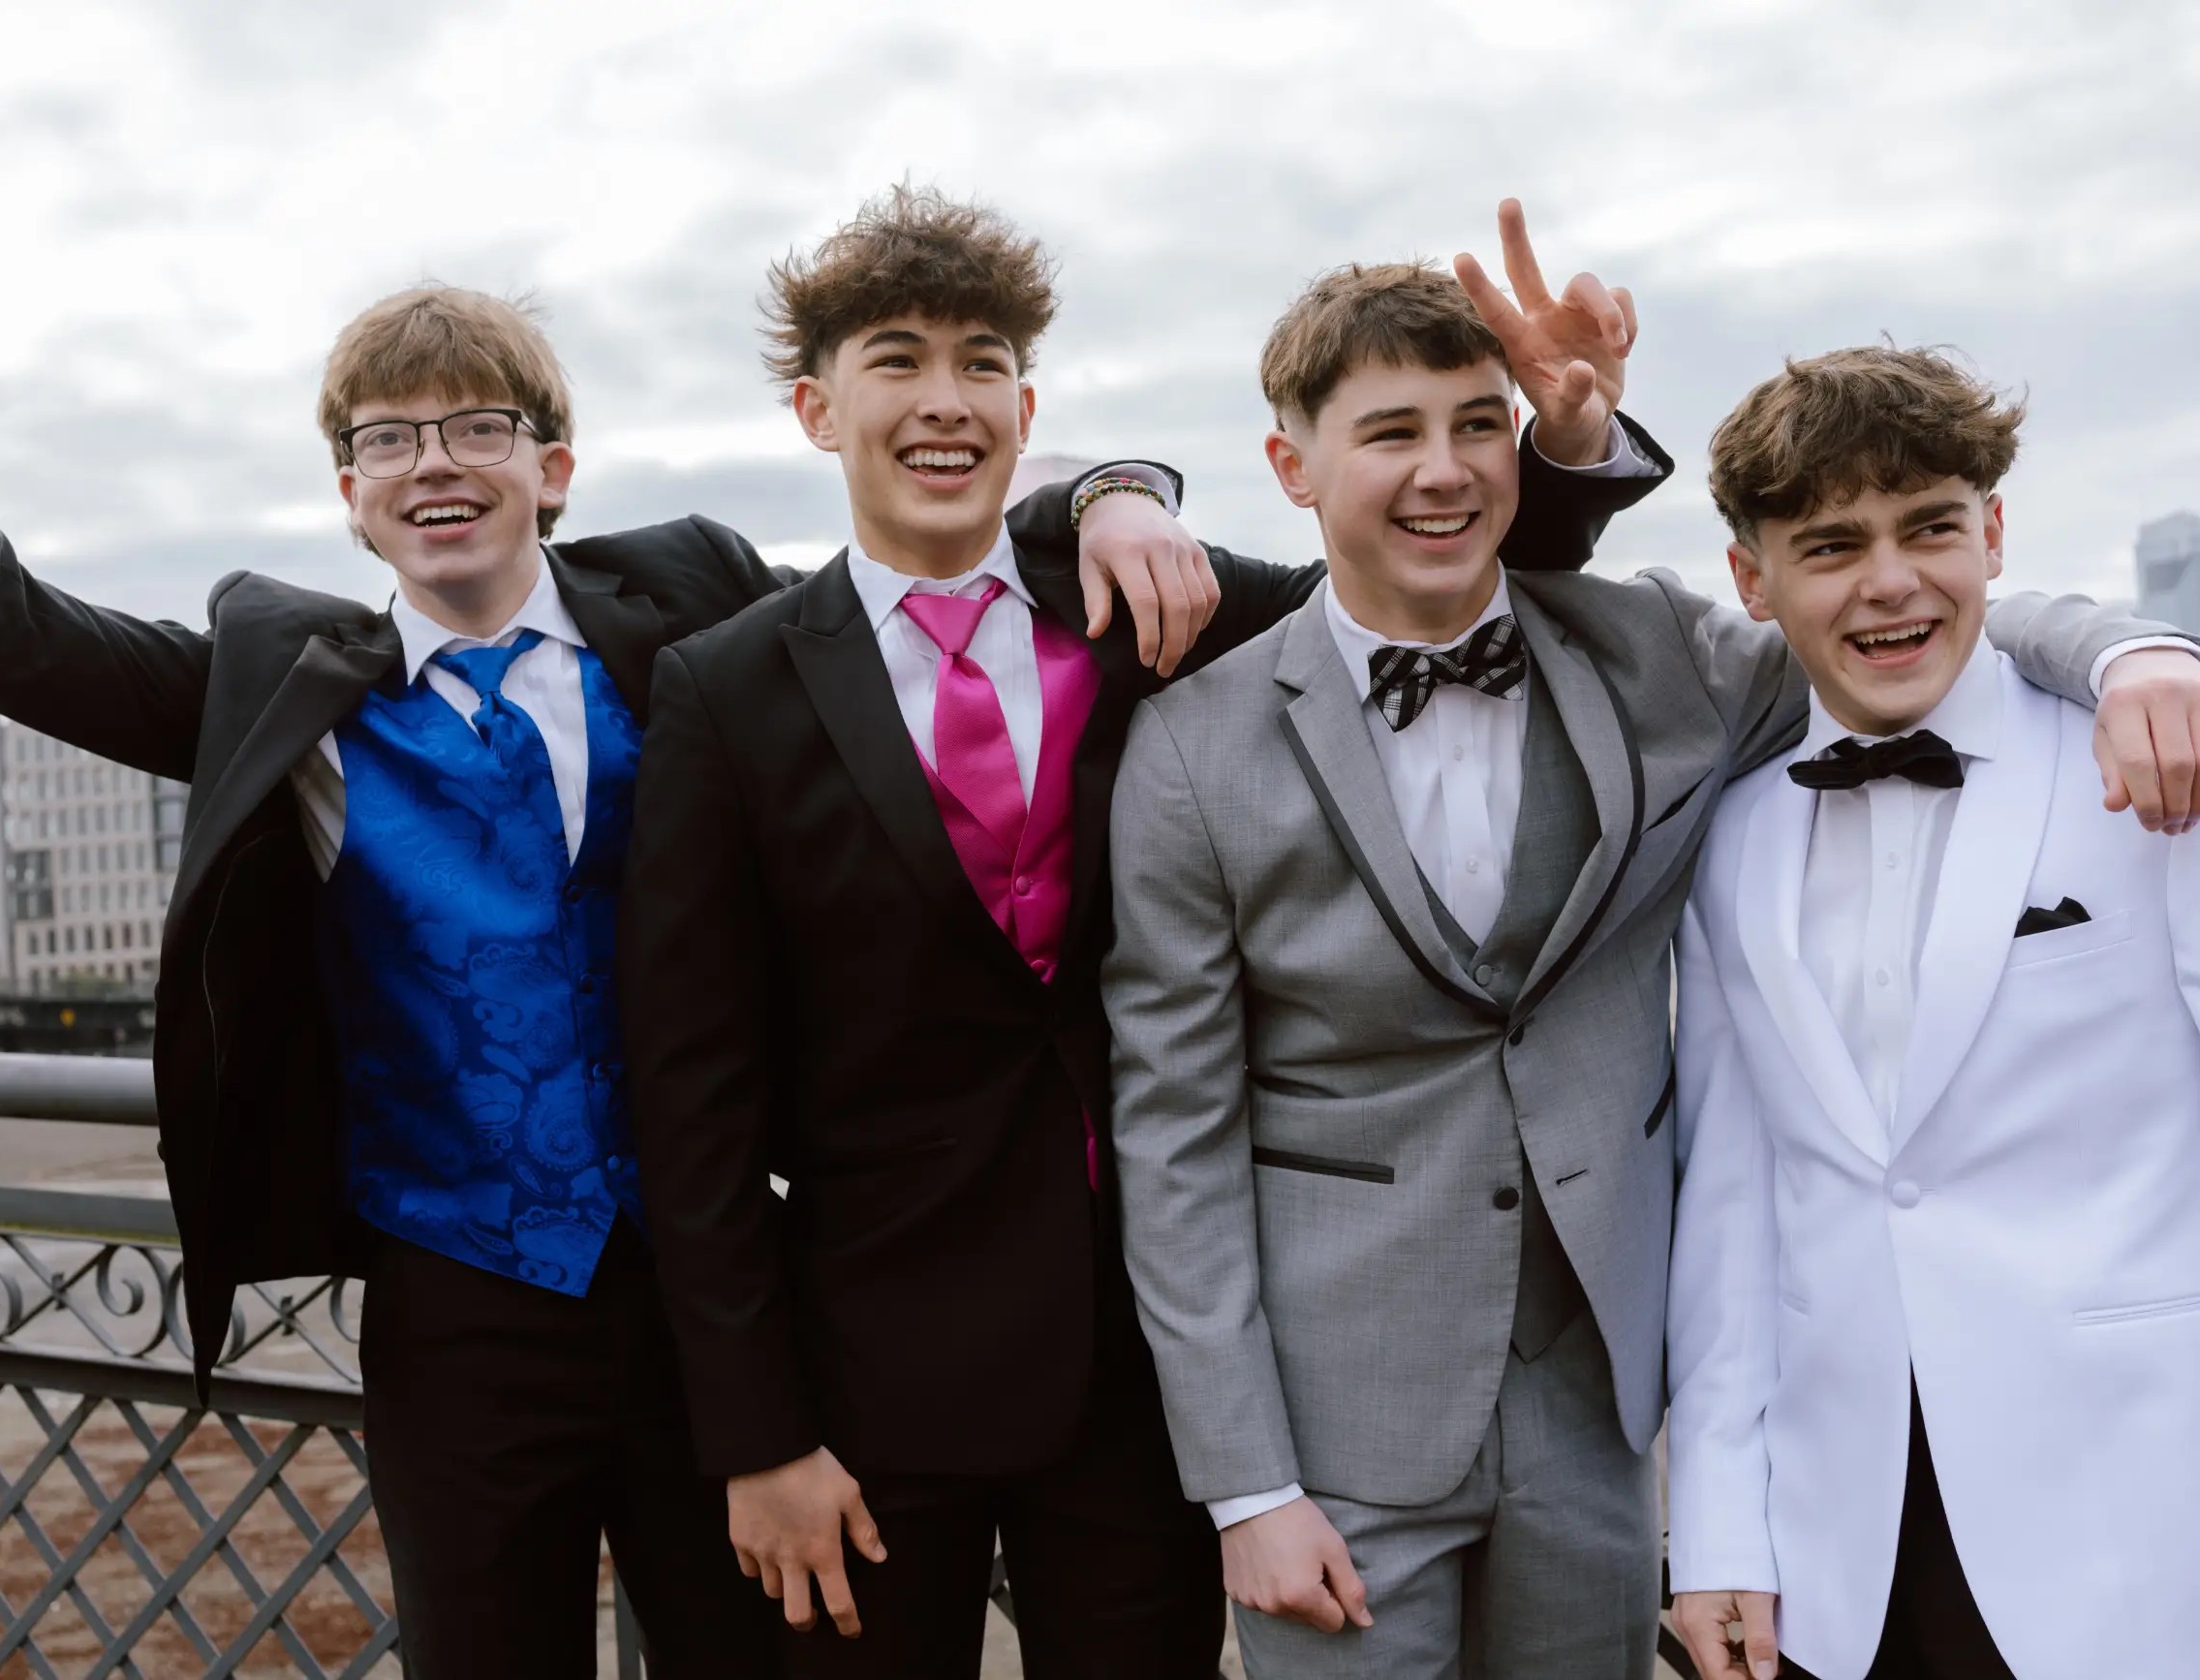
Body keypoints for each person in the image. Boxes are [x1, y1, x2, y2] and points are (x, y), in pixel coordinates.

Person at [0, 8, 1224, 1672]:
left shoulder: (700, 611)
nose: (437, 463)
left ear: (554, 466)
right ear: (347, 496)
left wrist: (1114, 482)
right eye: (389, 439)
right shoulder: (290, 694)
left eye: (479, 426)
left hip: (730, 1305)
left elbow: (930, 562)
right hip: (460, 1312)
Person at [1097, 219, 2200, 1679]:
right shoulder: (1188, 745)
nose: (1445, 467)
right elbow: (1173, 1133)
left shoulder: (1659, 658)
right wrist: (1246, 1481)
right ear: (1292, 465)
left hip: (1604, 1421)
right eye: (1393, 432)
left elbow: (1910, 604)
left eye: (1479, 425)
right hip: (1340, 1422)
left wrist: (2137, 648)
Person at [616, 185, 1665, 1680]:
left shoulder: (1142, 604)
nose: (944, 399)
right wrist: (759, 1430)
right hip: (865, 1378)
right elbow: (690, 1088)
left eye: (982, 360)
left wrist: (1561, 440)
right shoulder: (726, 689)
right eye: (896, 359)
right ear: (814, 405)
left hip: (1147, 1373)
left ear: (1025, 401)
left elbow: (1409, 577)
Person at [1665, 347, 2200, 1680]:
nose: (1891, 580)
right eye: (1832, 544)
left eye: (1930, 528)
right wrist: (1718, 1521)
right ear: (1753, 580)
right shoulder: (1730, 839)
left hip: (2136, 1512)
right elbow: (1734, 1203)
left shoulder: (2144, 763)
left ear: (1996, 532)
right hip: (1842, 1551)